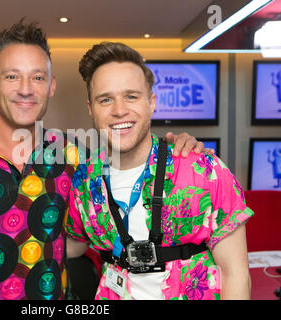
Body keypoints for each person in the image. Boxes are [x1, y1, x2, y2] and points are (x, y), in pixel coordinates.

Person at [0, 19, 205, 300]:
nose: (25, 90)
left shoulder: (76, 157)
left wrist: (175, 148)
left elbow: (131, 169)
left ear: (51, 86)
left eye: (37, 77)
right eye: (12, 76)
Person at [66, 42, 254, 300]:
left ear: (151, 102)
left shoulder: (205, 170)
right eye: (106, 99)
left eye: (131, 96)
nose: (119, 110)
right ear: (91, 109)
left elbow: (236, 273)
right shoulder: (84, 182)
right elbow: (70, 246)